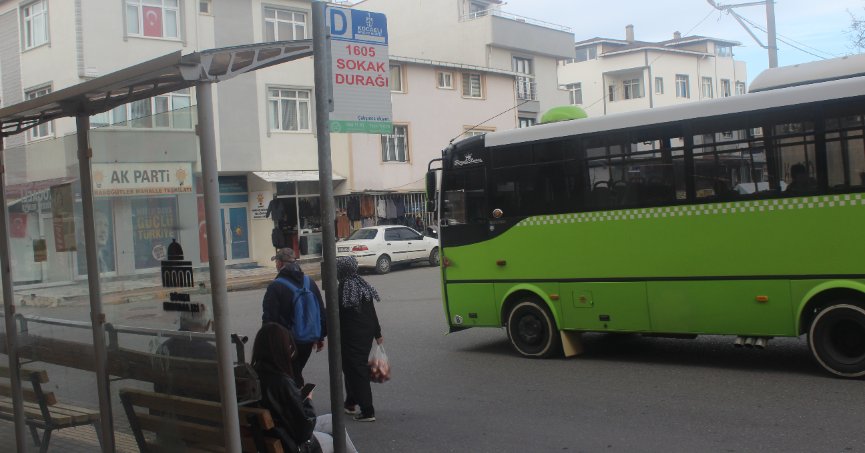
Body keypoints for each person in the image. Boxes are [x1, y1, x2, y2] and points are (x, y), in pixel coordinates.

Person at [252, 323, 358, 453]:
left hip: (275, 437)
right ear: (280, 349)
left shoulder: (252, 376)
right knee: (336, 440)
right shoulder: (282, 382)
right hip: (291, 445)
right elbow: (304, 431)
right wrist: (307, 400)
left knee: (333, 420)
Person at [262, 248, 327, 386]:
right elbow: (320, 310)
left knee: (290, 376)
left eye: (276, 262)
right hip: (308, 341)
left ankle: (299, 403)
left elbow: (269, 318)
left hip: (286, 342)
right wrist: (320, 336)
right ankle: (299, 400)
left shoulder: (275, 286)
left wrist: (267, 345)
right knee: (295, 372)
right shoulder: (309, 282)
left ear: (280, 264)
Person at [336, 256, 383, 422]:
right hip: (366, 334)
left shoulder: (343, 288)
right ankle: (351, 402)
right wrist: (378, 334)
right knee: (351, 368)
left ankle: (367, 410)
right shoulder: (362, 285)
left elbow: (336, 315)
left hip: (352, 336)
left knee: (356, 370)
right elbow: (371, 311)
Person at [155, 305, 218, 399]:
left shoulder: (163, 348)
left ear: (181, 322)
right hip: (204, 410)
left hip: (168, 407)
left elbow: (158, 387)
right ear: (207, 325)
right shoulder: (212, 353)